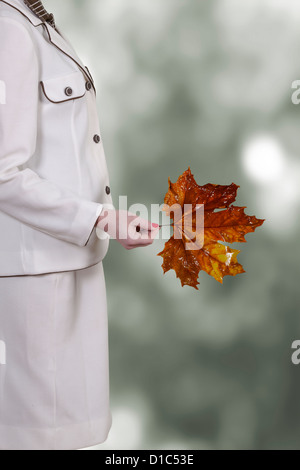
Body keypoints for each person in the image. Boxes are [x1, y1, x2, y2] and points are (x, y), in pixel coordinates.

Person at [0, 0, 159, 450]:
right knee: (36, 439)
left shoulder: (37, 22)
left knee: (77, 436)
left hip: (74, 263)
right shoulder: (9, 30)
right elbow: (2, 172)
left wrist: (108, 220)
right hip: (36, 277)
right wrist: (101, 218)